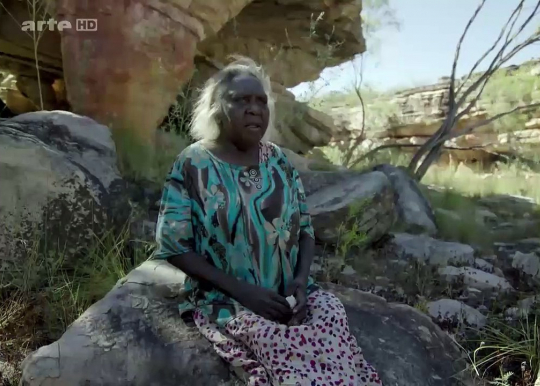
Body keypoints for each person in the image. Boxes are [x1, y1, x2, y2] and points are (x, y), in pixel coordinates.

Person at [153, 56, 382, 386]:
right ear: (217, 107)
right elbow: (173, 246)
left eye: (260, 101)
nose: (254, 108)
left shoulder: (278, 161)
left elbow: (304, 231)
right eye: (241, 100)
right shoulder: (194, 163)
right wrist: (245, 293)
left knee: (330, 316)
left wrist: (300, 284)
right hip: (228, 299)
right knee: (284, 353)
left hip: (287, 296)